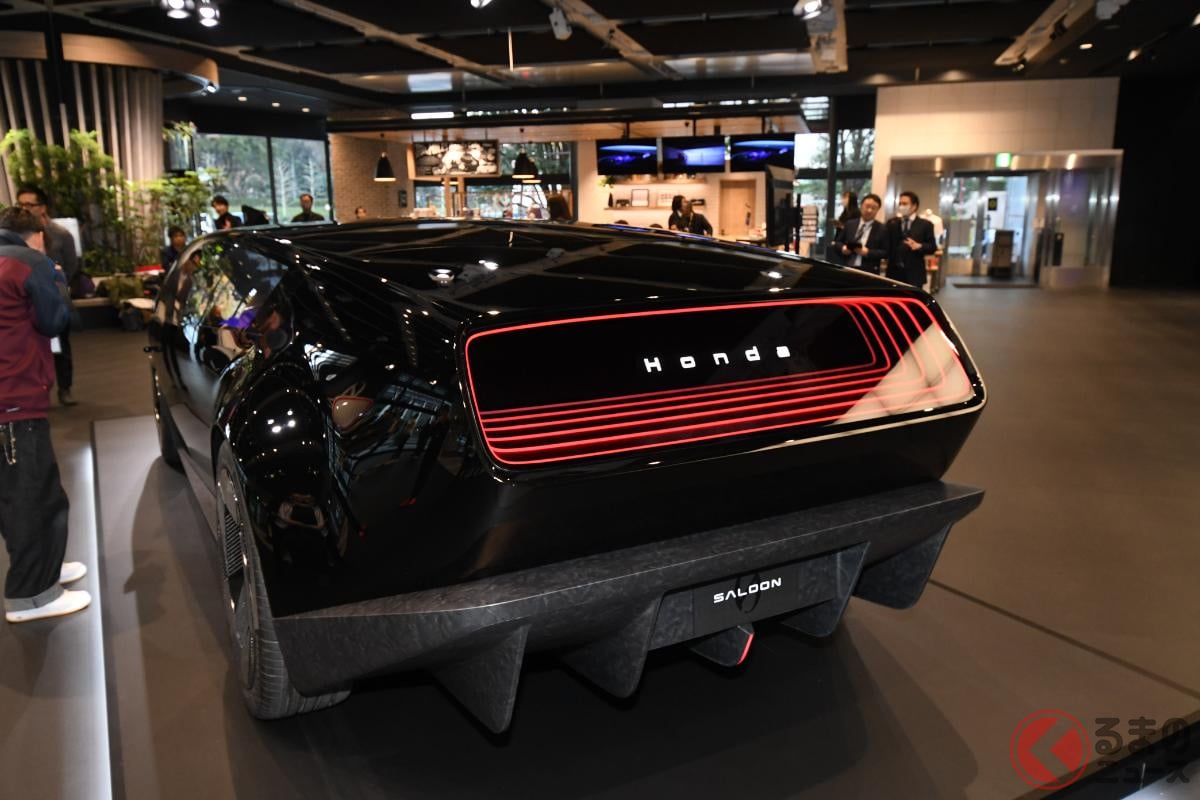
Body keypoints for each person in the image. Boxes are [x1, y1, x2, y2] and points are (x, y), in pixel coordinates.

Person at [0, 207, 91, 623]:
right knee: (30, 497)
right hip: (15, 398)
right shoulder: (30, 263)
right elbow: (54, 320)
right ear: (37, 234)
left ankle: (45, 569)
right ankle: (32, 594)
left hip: (11, 399)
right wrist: (56, 278)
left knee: (34, 491)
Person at [16, 185, 79, 406]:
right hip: (25, 301)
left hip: (54, 299)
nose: (24, 209)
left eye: (29, 204)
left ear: (42, 207)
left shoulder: (61, 234)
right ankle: (38, 392)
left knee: (61, 347)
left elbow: (71, 267)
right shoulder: (17, 236)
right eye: (20, 204)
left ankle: (65, 388)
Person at [886, 191, 938, 288]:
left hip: (914, 274)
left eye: (905, 204)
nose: (901, 206)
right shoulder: (892, 223)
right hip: (893, 273)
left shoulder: (925, 225)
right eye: (900, 203)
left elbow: (932, 247)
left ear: (914, 206)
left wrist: (920, 246)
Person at [833, 193, 888, 274]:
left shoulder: (882, 229)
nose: (869, 210)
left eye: (873, 208)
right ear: (861, 206)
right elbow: (837, 242)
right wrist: (843, 248)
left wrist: (868, 252)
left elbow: (885, 252)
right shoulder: (850, 224)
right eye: (867, 206)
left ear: (878, 210)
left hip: (868, 271)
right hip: (847, 267)